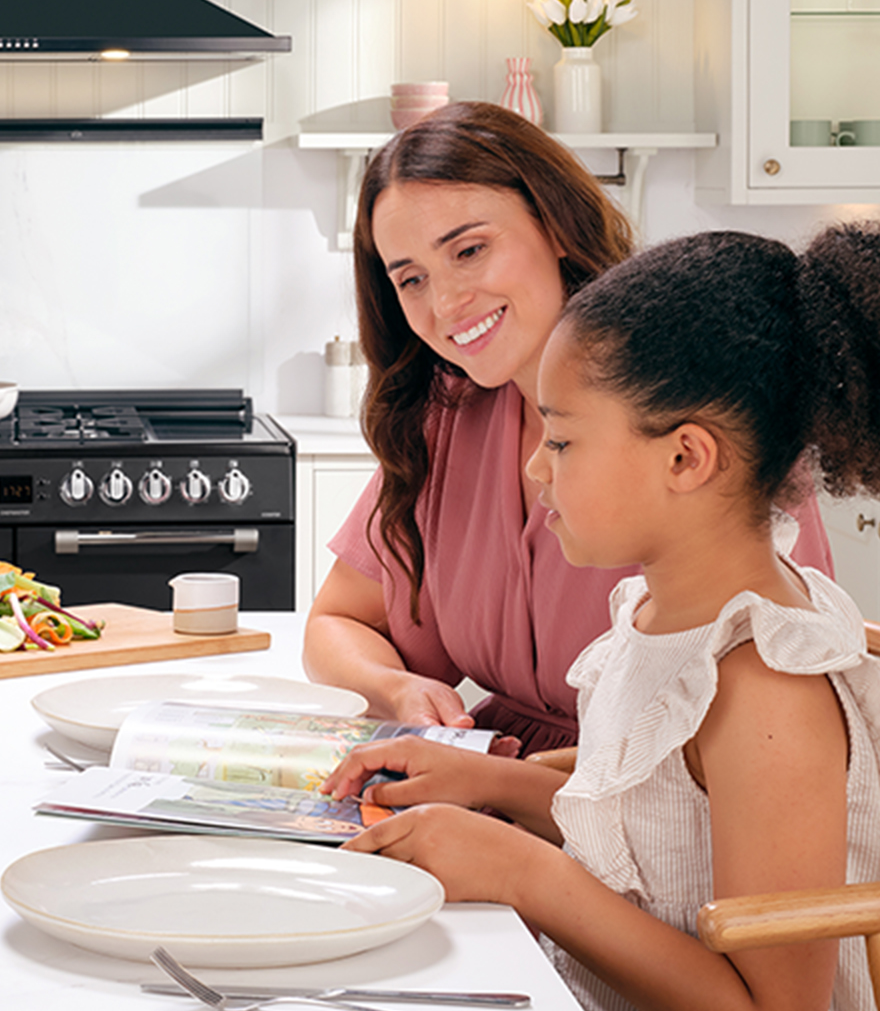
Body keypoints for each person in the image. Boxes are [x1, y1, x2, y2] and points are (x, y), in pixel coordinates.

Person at [323, 225, 880, 1011]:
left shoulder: (767, 694)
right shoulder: (658, 616)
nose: (533, 466)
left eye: (563, 439)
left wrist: (521, 870)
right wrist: (489, 780)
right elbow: (651, 823)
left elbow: (776, 1008)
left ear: (686, 458)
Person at [303, 104, 834, 756]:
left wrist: (491, 785)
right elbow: (338, 621)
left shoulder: (691, 409)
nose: (444, 305)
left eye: (470, 250)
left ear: (554, 224)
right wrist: (396, 690)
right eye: (411, 279)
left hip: (656, 817)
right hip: (496, 790)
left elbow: (751, 725)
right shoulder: (447, 415)